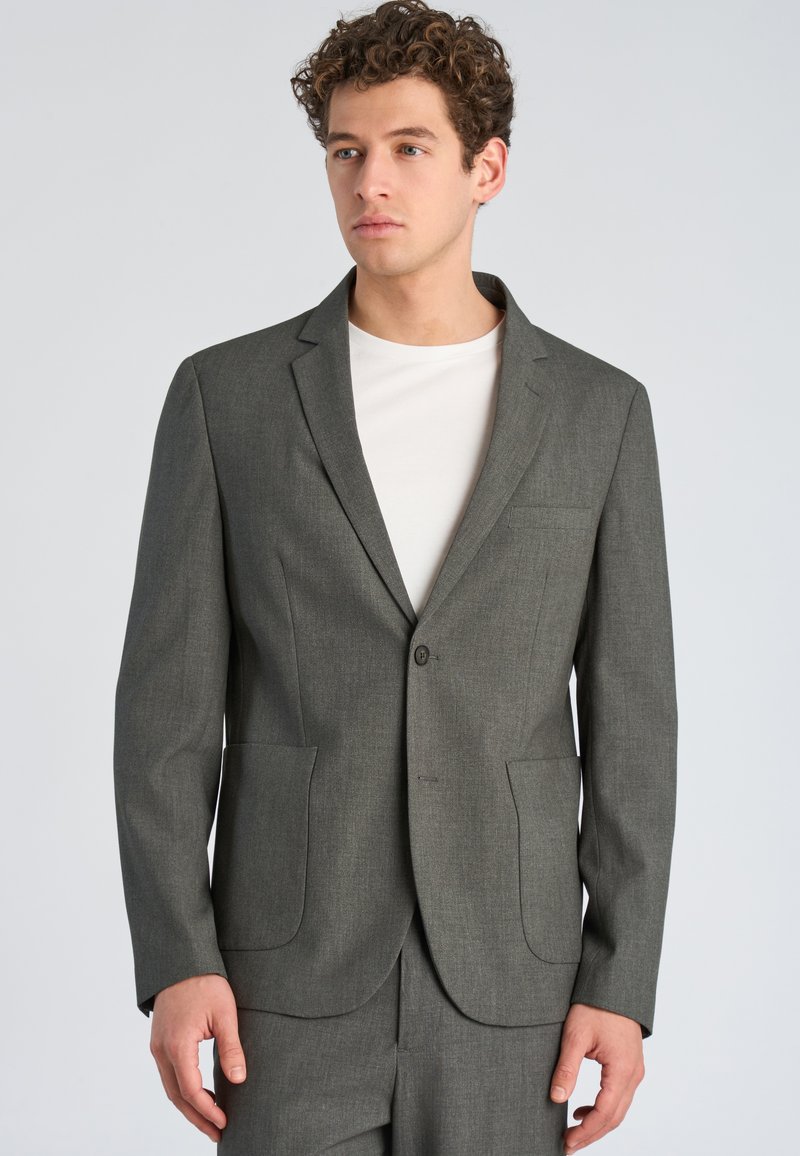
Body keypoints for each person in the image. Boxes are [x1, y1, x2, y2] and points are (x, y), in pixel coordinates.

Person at [113, 2, 678, 1152]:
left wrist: (619, 979)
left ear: (486, 170)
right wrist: (176, 956)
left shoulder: (597, 414)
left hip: (511, 993)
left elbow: (633, 723)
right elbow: (163, 713)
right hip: (283, 987)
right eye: (345, 150)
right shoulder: (227, 399)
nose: (369, 180)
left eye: (409, 148)